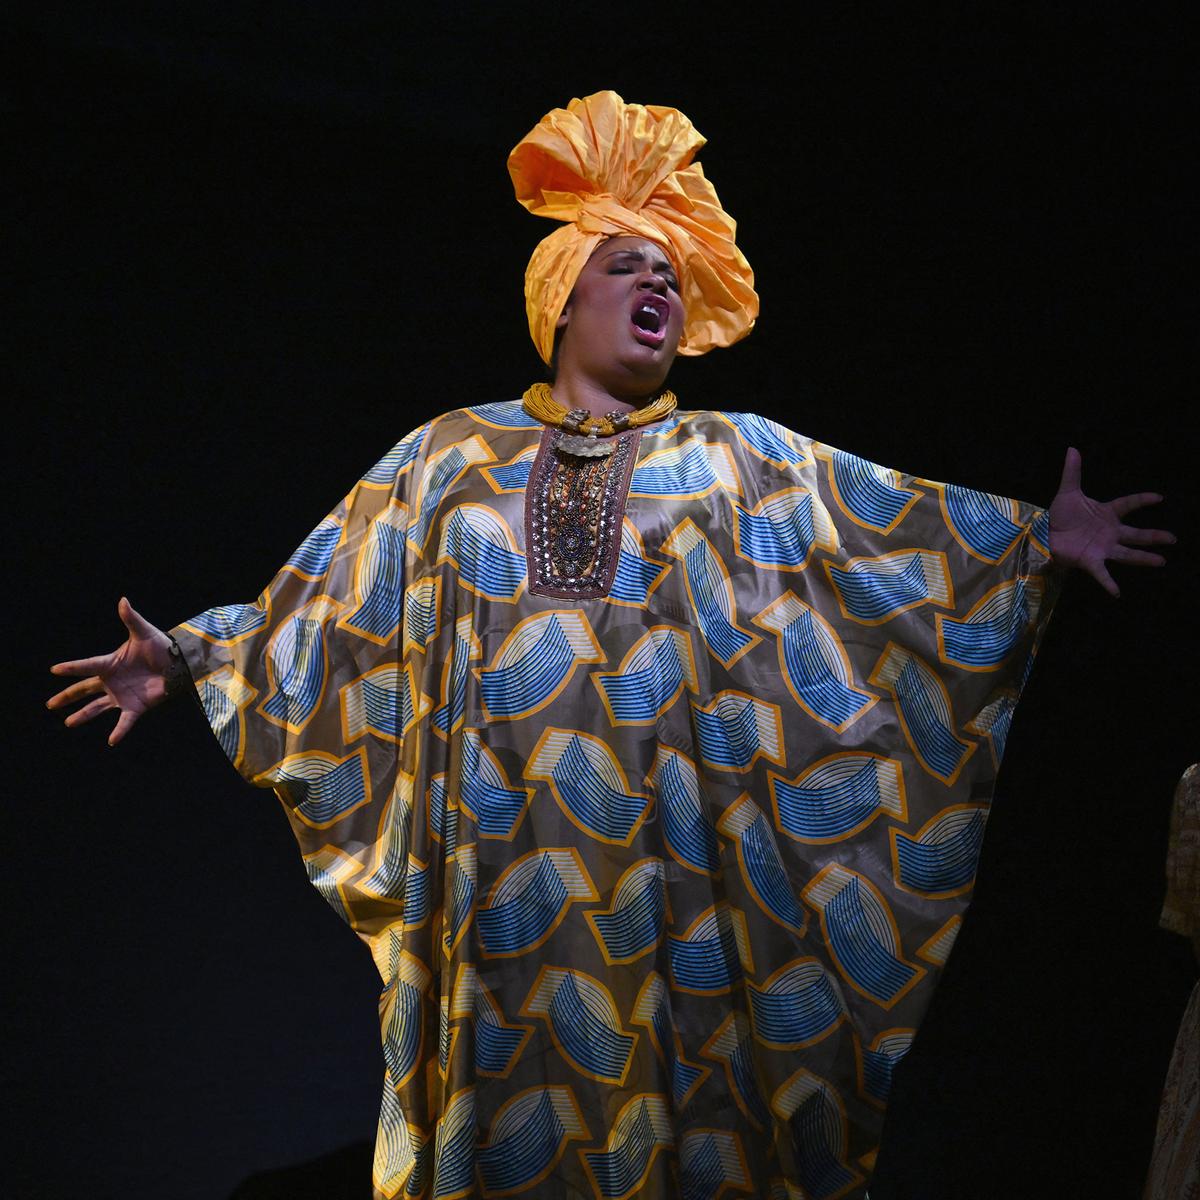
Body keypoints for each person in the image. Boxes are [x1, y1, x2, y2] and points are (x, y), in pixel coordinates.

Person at [48, 92, 1174, 1200]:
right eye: (627, 262)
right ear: (561, 295)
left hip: (676, 892)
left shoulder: (739, 459)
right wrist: (196, 657)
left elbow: (885, 546)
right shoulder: (446, 463)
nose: (659, 282)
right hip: (498, 905)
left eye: (672, 273)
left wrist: (1029, 548)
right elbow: (328, 614)